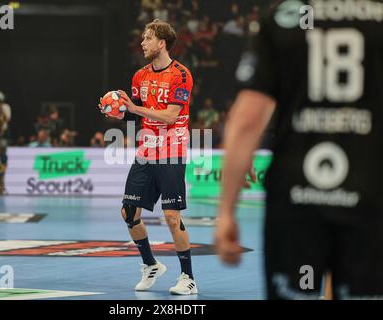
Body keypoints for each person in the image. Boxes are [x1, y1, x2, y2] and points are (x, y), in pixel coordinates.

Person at [215, 0, 383, 300]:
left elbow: (248, 119)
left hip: (296, 200)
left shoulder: (283, 17)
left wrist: (226, 210)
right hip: (370, 197)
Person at [99, 19, 196, 295]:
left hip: (172, 150)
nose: (142, 43)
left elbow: (170, 115)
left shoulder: (181, 74)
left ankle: (188, 277)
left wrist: (133, 109)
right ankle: (151, 265)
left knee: (171, 216)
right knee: (128, 212)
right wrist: (117, 112)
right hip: (146, 151)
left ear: (161, 43)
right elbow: (137, 111)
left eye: (147, 38)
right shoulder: (139, 76)